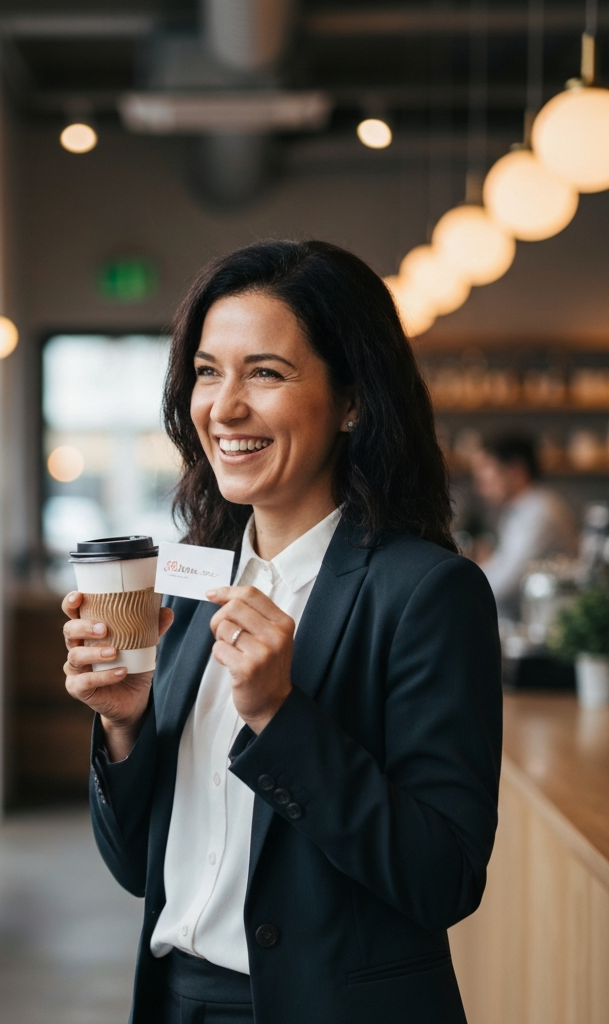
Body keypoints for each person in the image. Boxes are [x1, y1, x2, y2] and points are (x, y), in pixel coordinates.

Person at [62, 241, 502, 1024]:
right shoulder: (196, 584)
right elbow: (141, 870)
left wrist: (279, 715)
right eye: (206, 371)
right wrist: (124, 723)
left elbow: (445, 878)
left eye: (264, 372)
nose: (224, 407)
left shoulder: (427, 593)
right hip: (175, 1002)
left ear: (352, 399)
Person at [472, 433, 578, 620]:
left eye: (486, 476)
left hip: (549, 628)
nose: (481, 488)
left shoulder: (539, 512)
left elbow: (502, 586)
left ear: (515, 470)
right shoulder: (522, 509)